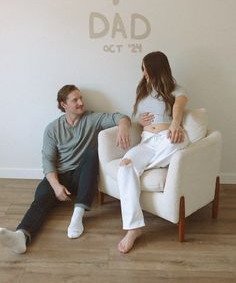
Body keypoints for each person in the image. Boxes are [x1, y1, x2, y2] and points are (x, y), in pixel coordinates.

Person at [0, 84, 130, 254]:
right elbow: (47, 160)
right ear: (63, 105)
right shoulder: (52, 128)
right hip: (59, 176)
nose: (81, 103)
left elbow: (121, 117)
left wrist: (123, 127)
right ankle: (21, 235)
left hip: (81, 176)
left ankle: (78, 215)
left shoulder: (92, 118)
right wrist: (55, 186)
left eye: (81, 98)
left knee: (92, 154)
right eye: (75, 100)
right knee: (41, 199)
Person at [117, 51, 190, 254]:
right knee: (124, 166)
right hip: (147, 142)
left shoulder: (176, 89)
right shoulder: (142, 90)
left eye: (145, 67)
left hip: (168, 139)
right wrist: (139, 121)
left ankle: (140, 168)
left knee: (180, 142)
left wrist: (175, 123)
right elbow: (139, 118)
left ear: (155, 68)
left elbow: (179, 106)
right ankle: (134, 228)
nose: (143, 72)